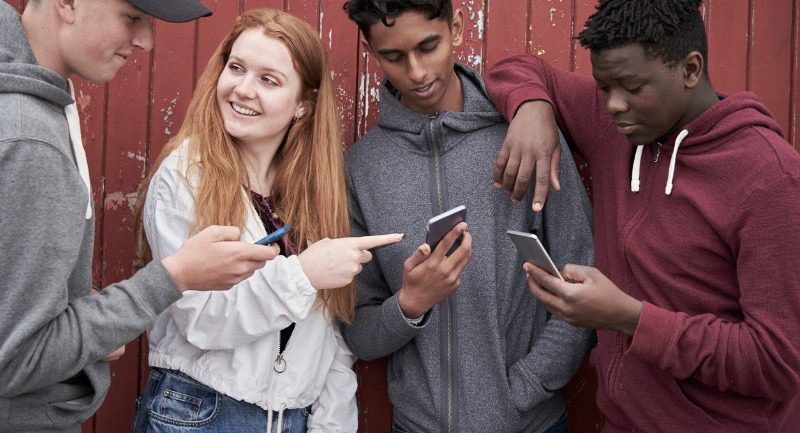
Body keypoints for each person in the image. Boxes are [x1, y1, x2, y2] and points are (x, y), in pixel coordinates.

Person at [484, 0, 800, 431]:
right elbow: (516, 68)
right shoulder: (618, 125)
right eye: (603, 87)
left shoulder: (768, 178)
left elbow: (777, 363)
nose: (613, 104)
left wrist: (630, 318)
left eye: (631, 87)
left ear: (690, 69)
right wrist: (533, 109)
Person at [0, 0, 285, 432]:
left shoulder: (35, 104)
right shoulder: (30, 139)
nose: (146, 41)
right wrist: (172, 278)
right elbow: (16, 358)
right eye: (132, 18)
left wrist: (83, 316)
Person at [130, 8, 402, 433]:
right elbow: (201, 320)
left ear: (303, 106)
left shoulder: (315, 191)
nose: (242, 89)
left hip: (291, 420)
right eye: (236, 68)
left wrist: (332, 424)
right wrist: (304, 274)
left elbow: (329, 335)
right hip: (198, 413)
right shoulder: (187, 174)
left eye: (268, 80)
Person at [340, 1, 595, 432]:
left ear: (457, 28)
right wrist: (409, 304)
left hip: (530, 424)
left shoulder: (527, 133)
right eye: (394, 57)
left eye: (429, 46)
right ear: (370, 51)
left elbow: (585, 276)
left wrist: (523, 390)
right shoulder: (360, 169)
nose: (417, 72)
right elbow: (359, 333)